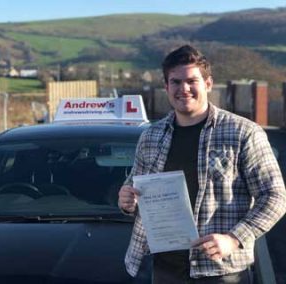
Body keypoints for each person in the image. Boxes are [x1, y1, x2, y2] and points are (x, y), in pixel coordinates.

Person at [118, 44, 286, 283]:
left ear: (207, 84)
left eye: (192, 81)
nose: (183, 89)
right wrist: (127, 201)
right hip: (164, 269)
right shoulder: (150, 136)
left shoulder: (243, 132)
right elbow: (136, 190)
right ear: (166, 87)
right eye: (175, 82)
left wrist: (234, 239)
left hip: (221, 272)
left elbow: (275, 197)